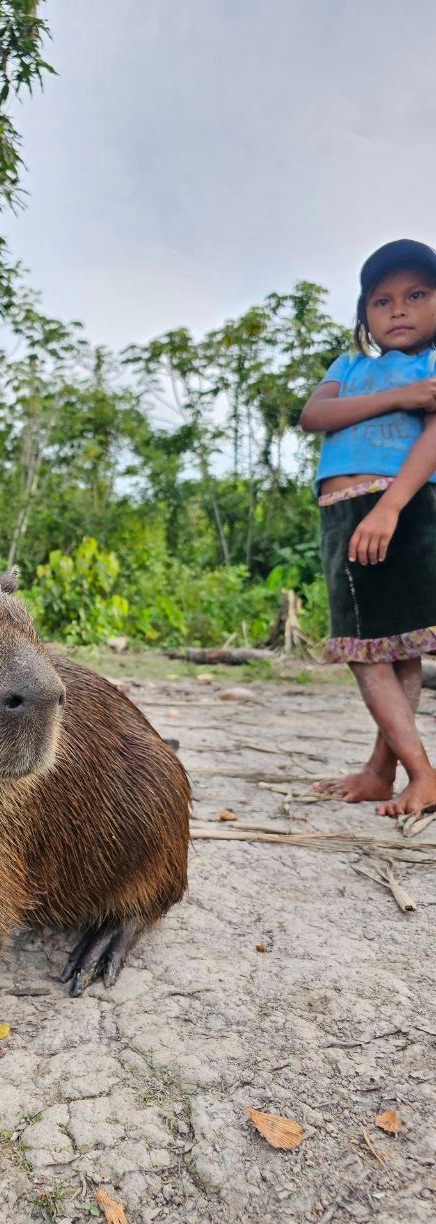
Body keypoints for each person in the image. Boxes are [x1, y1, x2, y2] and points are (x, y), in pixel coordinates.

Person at [300, 238, 436, 816]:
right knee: (393, 645)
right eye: (381, 301)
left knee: (370, 648)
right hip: (345, 512)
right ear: (365, 316)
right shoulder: (351, 366)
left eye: (416, 295)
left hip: (396, 507)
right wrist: (398, 396)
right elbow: (315, 415)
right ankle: (382, 773)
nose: (398, 310)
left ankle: (421, 774)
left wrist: (390, 508)